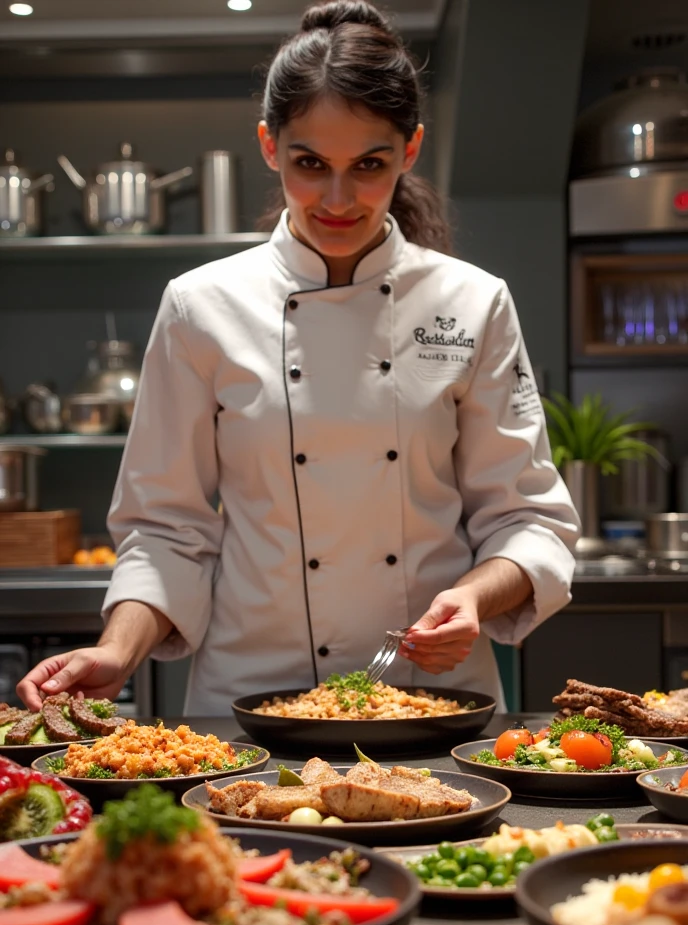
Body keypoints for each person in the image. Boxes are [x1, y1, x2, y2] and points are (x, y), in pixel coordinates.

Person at [17, 0, 580, 716]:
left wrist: (472, 597)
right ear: (268, 145)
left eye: (369, 165)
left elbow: (528, 517)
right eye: (310, 163)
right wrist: (116, 651)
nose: (338, 198)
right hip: (246, 706)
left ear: (410, 152)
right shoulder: (201, 305)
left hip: (433, 702)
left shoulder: (473, 302)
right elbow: (165, 527)